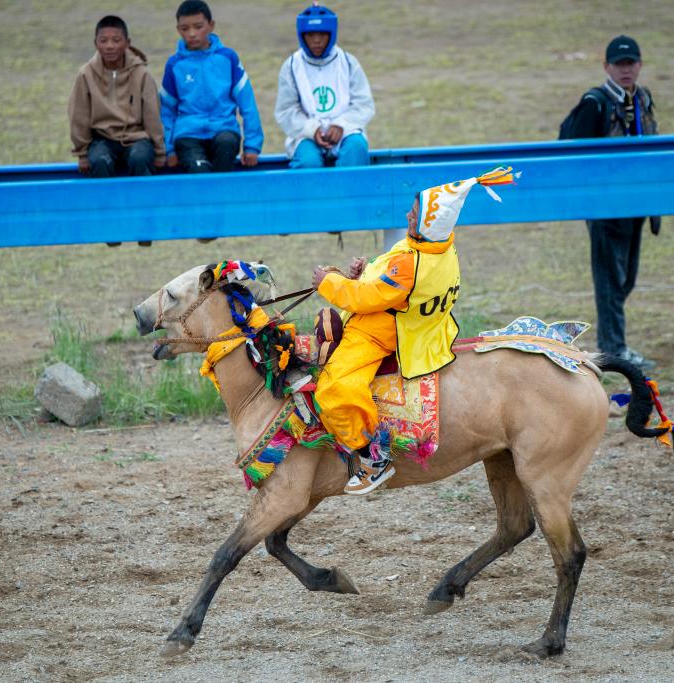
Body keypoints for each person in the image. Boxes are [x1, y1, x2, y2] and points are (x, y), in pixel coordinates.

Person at [311, 172, 506, 495]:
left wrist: (328, 283)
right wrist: (362, 274)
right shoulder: (435, 249)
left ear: (426, 224)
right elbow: (385, 282)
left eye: (413, 215)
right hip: (405, 323)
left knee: (334, 388)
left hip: (377, 333)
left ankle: (373, 458)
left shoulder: (410, 264)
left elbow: (368, 299)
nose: (407, 216)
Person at [566, 35, 659, 369]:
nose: (626, 69)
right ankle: (613, 350)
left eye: (631, 63)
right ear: (606, 67)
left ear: (639, 65)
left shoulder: (643, 99)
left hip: (636, 203)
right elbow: (571, 151)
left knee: (626, 279)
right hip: (606, 207)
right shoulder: (595, 103)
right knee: (610, 280)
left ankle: (614, 345)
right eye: (619, 64)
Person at [159, 0, 264, 175]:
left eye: (198, 26)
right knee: (199, 173)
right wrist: (169, 149)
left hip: (224, 129)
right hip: (187, 135)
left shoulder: (228, 58)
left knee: (226, 144)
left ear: (211, 25)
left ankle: (223, 201)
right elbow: (166, 110)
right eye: (185, 29)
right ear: (178, 30)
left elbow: (247, 103)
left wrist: (252, 145)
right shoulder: (174, 64)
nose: (192, 34)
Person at [274, 4, 374, 171]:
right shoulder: (292, 66)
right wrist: (312, 130)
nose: (316, 40)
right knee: (308, 162)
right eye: (310, 35)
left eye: (322, 34)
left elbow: (363, 104)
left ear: (332, 34)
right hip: (306, 135)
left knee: (356, 149)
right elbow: (286, 110)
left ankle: (350, 196)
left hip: (346, 132)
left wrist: (341, 125)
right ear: (301, 36)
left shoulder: (348, 62)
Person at [67, 15, 166, 179]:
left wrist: (159, 151)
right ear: (95, 43)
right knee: (99, 161)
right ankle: (105, 204)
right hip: (102, 139)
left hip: (137, 138)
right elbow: (79, 114)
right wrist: (82, 153)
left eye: (116, 40)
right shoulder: (86, 74)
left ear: (127, 43)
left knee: (140, 158)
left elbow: (152, 114)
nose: (109, 46)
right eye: (103, 41)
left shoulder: (141, 73)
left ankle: (142, 203)